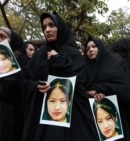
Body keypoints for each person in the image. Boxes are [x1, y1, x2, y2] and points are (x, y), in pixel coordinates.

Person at [20, 11, 99, 141]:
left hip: (74, 118)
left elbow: (79, 82)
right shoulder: (39, 55)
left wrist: (59, 60)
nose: (47, 30)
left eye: (52, 25)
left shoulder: (72, 53)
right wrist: (35, 86)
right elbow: (24, 79)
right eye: (44, 27)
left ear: (60, 27)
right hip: (43, 120)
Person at [84, 37, 130, 141]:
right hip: (92, 119)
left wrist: (103, 89)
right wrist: (89, 93)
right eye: (87, 49)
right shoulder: (84, 69)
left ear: (100, 48)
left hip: (115, 116)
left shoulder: (113, 66)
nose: (90, 50)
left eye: (94, 47)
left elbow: (125, 91)